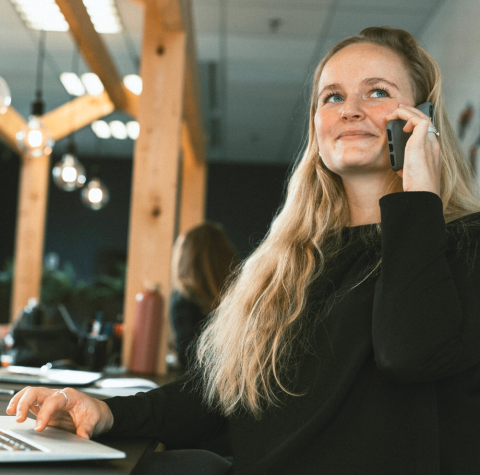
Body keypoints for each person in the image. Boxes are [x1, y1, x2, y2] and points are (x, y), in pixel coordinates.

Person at [7, 26, 480, 474]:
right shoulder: (296, 260)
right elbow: (222, 396)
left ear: (424, 120)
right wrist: (106, 412)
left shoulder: (464, 243)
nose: (349, 110)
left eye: (377, 92)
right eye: (332, 96)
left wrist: (418, 200)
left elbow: (408, 353)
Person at [170, 222, 239, 370]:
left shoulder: (184, 299)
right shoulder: (242, 294)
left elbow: (188, 359)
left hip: (203, 387)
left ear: (186, 256)